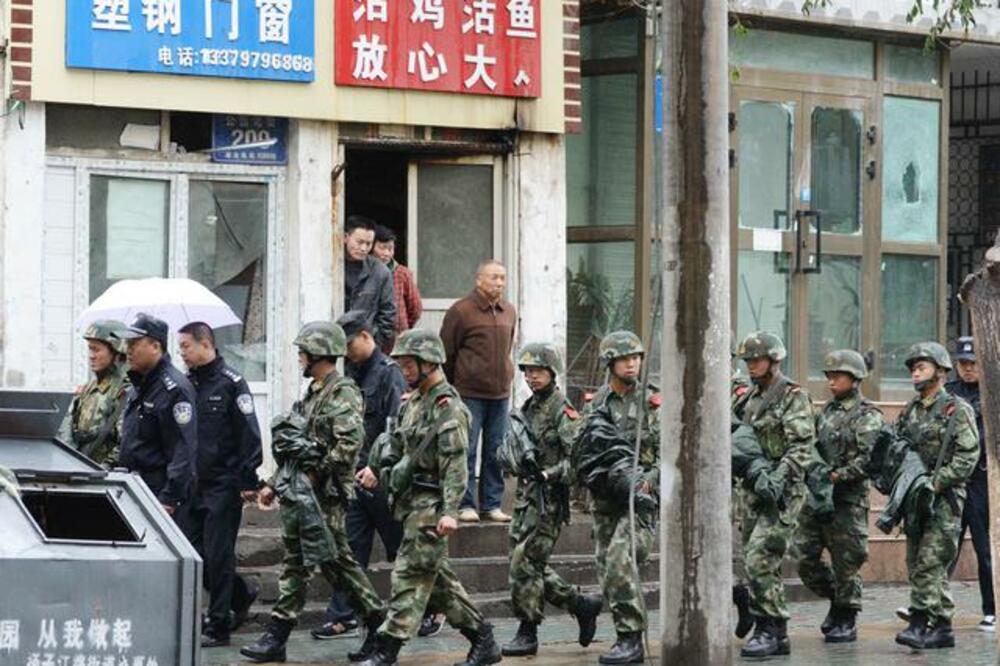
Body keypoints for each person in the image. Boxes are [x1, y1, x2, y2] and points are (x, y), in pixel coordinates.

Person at [240, 321, 386, 664]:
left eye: (303, 352)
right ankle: (281, 636)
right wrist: (274, 485)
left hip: (325, 497)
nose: (299, 358)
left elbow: (348, 445)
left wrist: (314, 471)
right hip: (302, 494)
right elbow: (296, 452)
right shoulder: (313, 394)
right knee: (313, 563)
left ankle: (374, 626)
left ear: (320, 353)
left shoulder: (343, 392)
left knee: (322, 564)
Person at [358, 329, 501, 666]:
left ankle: (386, 649)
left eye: (409, 365)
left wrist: (451, 510)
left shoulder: (447, 407)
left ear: (430, 363)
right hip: (410, 503)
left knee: (408, 575)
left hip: (432, 506)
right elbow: (400, 443)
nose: (404, 371)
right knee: (438, 583)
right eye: (402, 364)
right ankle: (483, 640)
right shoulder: (417, 400)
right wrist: (375, 468)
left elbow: (456, 464)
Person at [500, 342, 603, 658]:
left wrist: (549, 474)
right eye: (527, 371)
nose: (531, 377)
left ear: (551, 371)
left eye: (537, 370)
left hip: (550, 501)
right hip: (525, 498)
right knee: (522, 562)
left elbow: (578, 460)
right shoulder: (528, 408)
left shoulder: (562, 409)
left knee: (527, 562)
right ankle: (580, 604)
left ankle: (527, 630)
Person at [311, 311, 407, 641]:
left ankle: (435, 606)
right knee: (349, 551)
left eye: (350, 344)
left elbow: (396, 427)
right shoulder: (350, 374)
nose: (346, 352)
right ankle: (343, 614)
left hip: (381, 479)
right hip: (353, 478)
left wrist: (379, 467)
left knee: (402, 548)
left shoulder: (389, 374)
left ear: (367, 337)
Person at [177, 322, 263, 647]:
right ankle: (240, 594)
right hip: (192, 486)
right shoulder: (185, 385)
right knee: (192, 553)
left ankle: (218, 625)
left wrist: (247, 478)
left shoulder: (232, 384)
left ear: (205, 344)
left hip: (222, 486)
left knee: (217, 555)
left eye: (186, 346)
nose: (182, 352)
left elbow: (249, 434)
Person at [576, 331, 659, 665]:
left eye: (636, 357)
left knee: (620, 561)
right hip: (604, 501)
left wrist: (647, 483)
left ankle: (631, 638)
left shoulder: (652, 402)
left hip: (638, 502)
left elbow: (670, 452)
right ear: (610, 362)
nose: (632, 363)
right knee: (606, 570)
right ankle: (625, 634)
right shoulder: (595, 404)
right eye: (625, 358)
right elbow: (582, 449)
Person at [732, 331, 816, 659]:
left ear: (774, 360)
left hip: (783, 493)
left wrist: (777, 478)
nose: (752, 365)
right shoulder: (746, 399)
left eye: (757, 359)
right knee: (765, 562)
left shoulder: (793, 396)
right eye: (748, 360)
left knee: (758, 559)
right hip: (752, 493)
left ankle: (766, 627)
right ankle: (778, 633)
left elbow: (801, 447)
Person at [894, 342, 979, 650]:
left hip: (943, 501)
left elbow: (968, 455)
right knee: (919, 562)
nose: (916, 372)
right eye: (913, 368)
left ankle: (918, 625)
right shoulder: (910, 410)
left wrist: (936, 482)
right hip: (915, 500)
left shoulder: (956, 409)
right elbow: (897, 448)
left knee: (930, 563)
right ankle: (943, 627)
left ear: (941, 372)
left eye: (922, 366)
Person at [794, 350, 883, 643]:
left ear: (855, 379)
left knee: (847, 562)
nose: (831, 382)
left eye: (838, 376)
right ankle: (837, 598)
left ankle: (846, 614)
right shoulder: (828, 412)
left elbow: (869, 459)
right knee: (804, 557)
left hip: (847, 500)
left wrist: (838, 475)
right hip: (819, 497)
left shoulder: (867, 415)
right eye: (829, 376)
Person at [440, 260, 517, 524]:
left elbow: (507, 349)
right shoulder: (461, 311)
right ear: (478, 280)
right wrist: (453, 387)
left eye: (503, 278)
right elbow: (447, 353)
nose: (499, 283)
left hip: (500, 394)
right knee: (467, 449)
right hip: (469, 393)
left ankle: (492, 504)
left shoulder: (509, 311)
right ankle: (465, 503)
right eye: (494, 277)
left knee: (496, 450)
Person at [115, 313, 198, 520]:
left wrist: (168, 499)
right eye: (127, 343)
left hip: (158, 496)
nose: (128, 349)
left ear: (155, 346)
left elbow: (183, 449)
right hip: (133, 489)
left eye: (135, 343)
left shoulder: (174, 389)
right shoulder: (140, 386)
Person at [945, 336, 995, 630]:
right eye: (963, 363)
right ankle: (931, 606)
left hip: (980, 479)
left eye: (972, 363)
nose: (967, 369)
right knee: (944, 545)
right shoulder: (949, 393)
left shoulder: (994, 394)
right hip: (952, 479)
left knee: (984, 548)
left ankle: (992, 609)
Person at [57, 319, 130, 468]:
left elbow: (125, 444)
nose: (91, 355)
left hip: (106, 478)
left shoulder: (125, 390)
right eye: (90, 349)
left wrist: (104, 469)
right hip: (80, 470)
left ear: (116, 351)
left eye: (96, 350)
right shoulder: (89, 387)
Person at [345, 215, 397, 350]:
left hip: (363, 347)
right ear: (346, 237)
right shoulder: (331, 270)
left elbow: (388, 313)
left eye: (368, 244)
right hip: (334, 344)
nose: (363, 248)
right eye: (359, 242)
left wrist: (374, 344)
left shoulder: (380, 272)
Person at [372, 225, 422, 354]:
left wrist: (402, 328)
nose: (386, 253)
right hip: (371, 339)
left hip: (397, 341)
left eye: (390, 249)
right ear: (371, 248)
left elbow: (415, 308)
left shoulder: (402, 273)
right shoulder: (365, 272)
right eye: (382, 248)